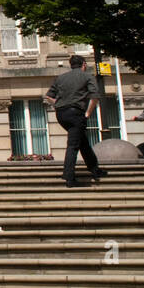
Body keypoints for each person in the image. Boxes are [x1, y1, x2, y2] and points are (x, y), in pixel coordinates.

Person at [45, 54, 108, 188]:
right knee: (73, 145)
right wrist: (87, 113)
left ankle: (95, 169)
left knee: (82, 141)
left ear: (70, 65)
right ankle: (69, 177)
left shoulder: (61, 78)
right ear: (84, 64)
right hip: (76, 113)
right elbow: (95, 96)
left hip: (61, 114)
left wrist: (59, 104)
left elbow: (48, 96)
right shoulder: (87, 76)